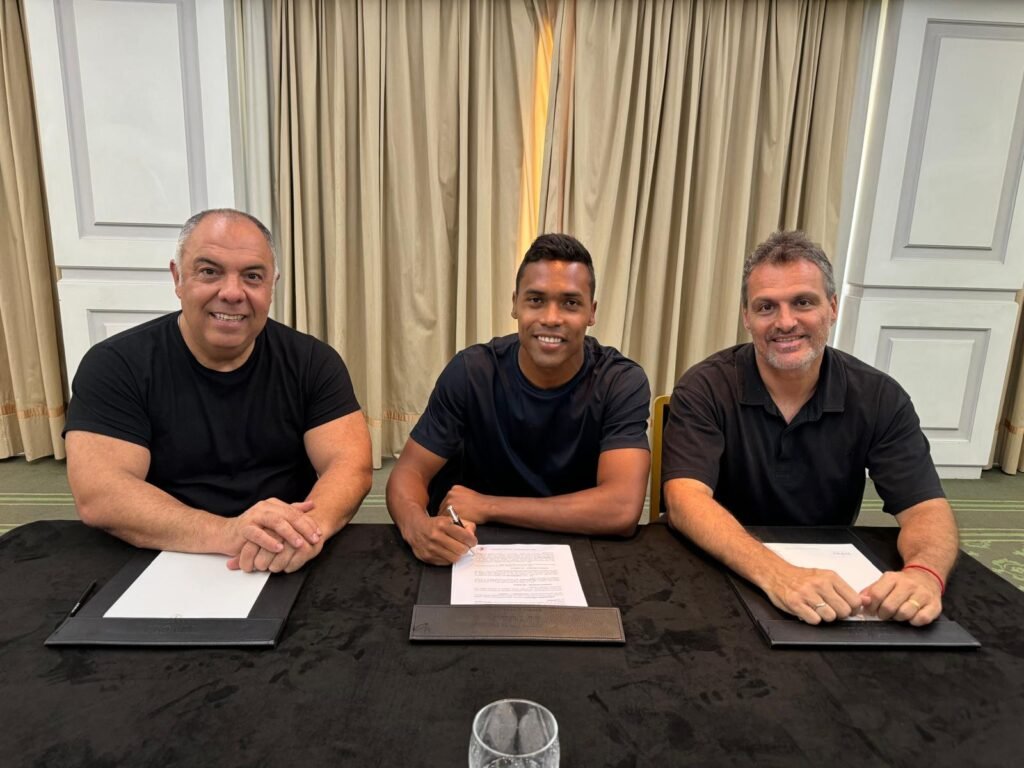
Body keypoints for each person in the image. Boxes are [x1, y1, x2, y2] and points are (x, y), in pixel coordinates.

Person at [661, 230, 958, 627]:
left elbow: (925, 508)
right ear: (746, 317)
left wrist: (924, 574)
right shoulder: (705, 387)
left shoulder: (880, 397)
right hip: (721, 568)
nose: (785, 322)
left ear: (832, 307)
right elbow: (684, 500)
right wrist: (777, 574)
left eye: (803, 302)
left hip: (833, 582)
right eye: (766, 307)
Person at [64, 209, 372, 573]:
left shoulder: (312, 361)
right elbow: (102, 493)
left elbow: (350, 465)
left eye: (252, 276)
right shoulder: (115, 365)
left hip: (283, 556)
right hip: (162, 551)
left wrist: (305, 531)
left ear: (271, 286)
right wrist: (228, 532)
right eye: (209, 272)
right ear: (177, 278)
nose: (232, 293)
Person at [387, 234, 651, 565]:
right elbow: (409, 472)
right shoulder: (471, 372)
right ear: (515, 304)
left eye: (570, 303)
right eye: (536, 300)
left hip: (577, 549)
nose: (551, 318)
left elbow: (621, 508)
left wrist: (487, 505)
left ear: (591, 312)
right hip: (474, 551)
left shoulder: (620, 382)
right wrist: (416, 527)